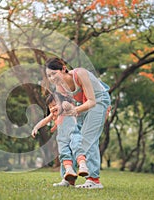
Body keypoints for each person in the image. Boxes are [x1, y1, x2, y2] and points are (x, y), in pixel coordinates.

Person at [45, 57, 111, 189]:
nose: (52, 78)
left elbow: (92, 101)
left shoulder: (80, 74)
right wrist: (58, 121)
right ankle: (69, 178)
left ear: (63, 69)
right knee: (70, 136)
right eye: (49, 76)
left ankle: (94, 180)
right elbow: (62, 107)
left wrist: (74, 111)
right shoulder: (59, 86)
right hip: (81, 105)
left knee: (87, 138)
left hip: (98, 101)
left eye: (54, 73)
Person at [31, 92, 88, 187]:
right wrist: (36, 128)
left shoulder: (66, 107)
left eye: (54, 105)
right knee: (64, 154)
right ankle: (69, 173)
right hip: (62, 139)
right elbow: (44, 121)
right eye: (50, 107)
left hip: (73, 134)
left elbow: (67, 105)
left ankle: (83, 166)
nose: (52, 108)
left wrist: (64, 102)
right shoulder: (54, 115)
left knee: (77, 147)